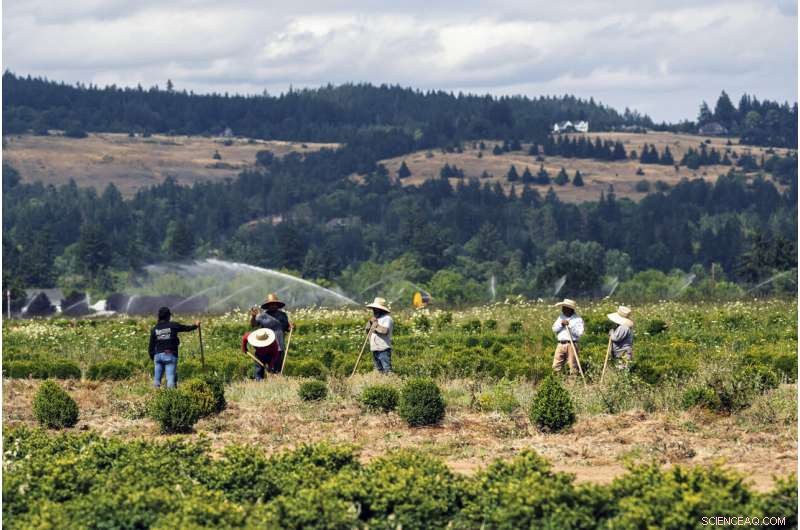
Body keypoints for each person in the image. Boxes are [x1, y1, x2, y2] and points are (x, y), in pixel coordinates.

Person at [148, 306, 199, 388]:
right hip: (169, 354)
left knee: (157, 380)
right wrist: (196, 325)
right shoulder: (173, 325)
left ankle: (155, 394)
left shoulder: (154, 329)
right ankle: (171, 395)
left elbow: (151, 347)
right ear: (168, 316)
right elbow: (186, 328)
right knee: (170, 379)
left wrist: (153, 357)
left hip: (157, 356)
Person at [249, 293, 292, 373]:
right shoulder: (263, 316)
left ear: (277, 304)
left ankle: (277, 378)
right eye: (271, 304)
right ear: (267, 305)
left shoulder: (283, 315)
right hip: (267, 345)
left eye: (274, 304)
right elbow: (253, 325)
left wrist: (291, 327)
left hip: (279, 345)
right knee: (263, 366)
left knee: (277, 369)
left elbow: (287, 328)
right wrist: (253, 317)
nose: (273, 306)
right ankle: (260, 378)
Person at [551, 298, 584, 374]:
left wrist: (569, 326)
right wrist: (561, 324)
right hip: (560, 344)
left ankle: (573, 380)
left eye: (564, 307)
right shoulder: (560, 317)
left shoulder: (578, 319)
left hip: (571, 344)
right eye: (563, 307)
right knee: (556, 365)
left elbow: (579, 333)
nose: (562, 309)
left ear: (570, 309)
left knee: (573, 366)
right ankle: (557, 380)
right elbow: (554, 329)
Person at [365, 297, 393, 373]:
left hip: (383, 349)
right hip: (375, 349)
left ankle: (390, 380)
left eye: (376, 309)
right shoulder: (374, 319)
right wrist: (370, 323)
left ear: (381, 309)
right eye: (374, 309)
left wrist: (376, 324)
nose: (374, 310)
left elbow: (385, 331)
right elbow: (367, 331)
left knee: (387, 369)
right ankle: (380, 380)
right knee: (378, 370)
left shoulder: (387, 318)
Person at [607, 305, 634, 370]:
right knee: (620, 369)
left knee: (622, 369)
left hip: (623, 353)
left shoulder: (623, 327)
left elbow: (616, 338)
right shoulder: (622, 326)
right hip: (621, 353)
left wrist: (611, 333)